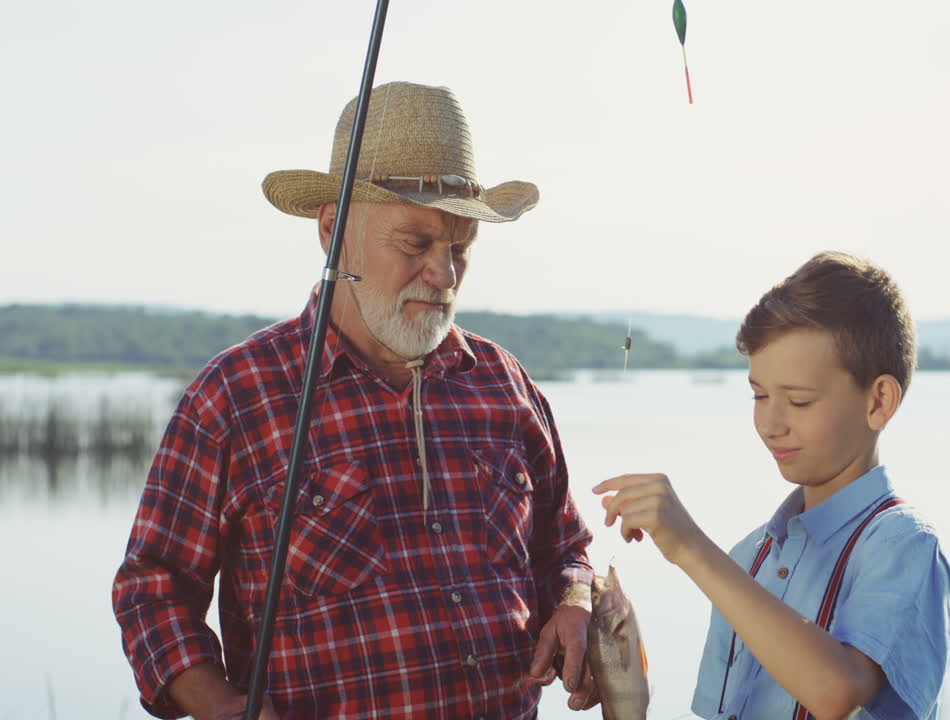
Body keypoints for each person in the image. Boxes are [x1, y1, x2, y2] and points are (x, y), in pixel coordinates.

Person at [112, 82, 599, 719]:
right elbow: (152, 589)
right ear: (333, 230)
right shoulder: (237, 395)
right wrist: (224, 708)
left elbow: (566, 551)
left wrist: (575, 604)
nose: (444, 273)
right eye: (416, 243)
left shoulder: (505, 385)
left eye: (460, 248)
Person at [594, 251, 950, 719]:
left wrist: (690, 549)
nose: (770, 423)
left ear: (879, 401)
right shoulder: (749, 557)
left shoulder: (903, 546)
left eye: (799, 401)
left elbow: (837, 693)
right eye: (759, 395)